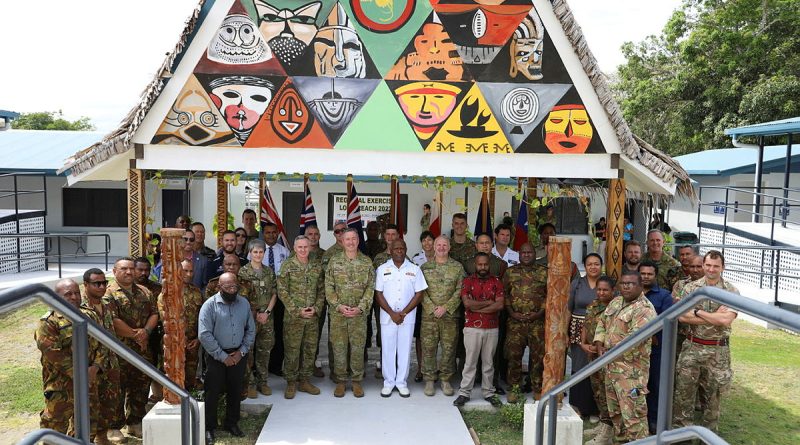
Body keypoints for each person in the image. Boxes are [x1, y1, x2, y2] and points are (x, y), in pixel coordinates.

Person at [673, 250, 738, 434]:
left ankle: (708, 437)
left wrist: (698, 312)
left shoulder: (731, 291)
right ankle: (681, 437)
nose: (711, 269)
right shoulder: (691, 289)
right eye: (708, 265)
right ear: (703, 266)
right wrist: (715, 316)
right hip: (692, 347)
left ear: (723, 268)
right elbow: (683, 317)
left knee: (712, 402)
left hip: (718, 352)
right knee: (683, 398)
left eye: (716, 266)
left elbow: (726, 321)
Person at [36, 279, 105, 440]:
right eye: (68, 294)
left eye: (77, 293)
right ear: (57, 297)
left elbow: (102, 342)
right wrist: (82, 375)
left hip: (89, 381)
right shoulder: (48, 322)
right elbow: (54, 354)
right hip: (62, 386)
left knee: (88, 426)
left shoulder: (90, 314)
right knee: (55, 429)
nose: (74, 297)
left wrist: (95, 366)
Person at [593, 271, 656, 443]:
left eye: (631, 284)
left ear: (640, 286)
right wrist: (599, 344)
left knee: (634, 419)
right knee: (617, 417)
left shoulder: (645, 310)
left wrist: (608, 348)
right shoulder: (616, 301)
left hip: (631, 375)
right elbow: (602, 323)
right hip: (611, 371)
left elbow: (633, 340)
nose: (626, 286)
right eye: (623, 283)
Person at [198, 272, 256, 445]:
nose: (232, 290)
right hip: (217, 356)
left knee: (235, 390)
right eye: (228, 287)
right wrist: (223, 356)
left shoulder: (244, 303)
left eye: (234, 286)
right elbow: (204, 334)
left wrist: (241, 352)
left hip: (238, 356)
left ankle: (231, 423)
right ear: (219, 287)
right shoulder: (209, 306)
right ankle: (209, 427)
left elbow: (251, 330)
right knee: (212, 392)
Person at [105, 257, 158, 438]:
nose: (128, 272)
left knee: (141, 386)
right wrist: (136, 335)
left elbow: (154, 314)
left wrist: (146, 331)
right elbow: (113, 320)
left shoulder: (144, 291)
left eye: (131, 269)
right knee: (117, 388)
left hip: (142, 349)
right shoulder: (108, 293)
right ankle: (114, 427)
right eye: (123, 269)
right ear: (114, 271)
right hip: (119, 350)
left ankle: (135, 422)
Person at [325, 228, 375, 397]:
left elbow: (370, 288)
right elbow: (328, 286)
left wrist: (361, 307)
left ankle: (356, 381)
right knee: (339, 348)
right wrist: (338, 306)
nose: (351, 242)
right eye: (348, 239)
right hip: (339, 315)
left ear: (358, 241)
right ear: (343, 241)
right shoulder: (334, 261)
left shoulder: (367, 262)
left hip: (358, 315)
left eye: (354, 239)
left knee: (357, 349)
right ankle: (340, 381)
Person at [375, 239, 428, 397]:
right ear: (390, 250)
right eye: (396, 248)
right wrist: (392, 313)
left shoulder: (415, 269)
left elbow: (419, 294)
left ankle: (402, 382)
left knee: (405, 350)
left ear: (406, 249)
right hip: (388, 317)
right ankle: (389, 382)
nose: (399, 251)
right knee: (388, 349)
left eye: (402, 248)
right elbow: (378, 293)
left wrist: (403, 313)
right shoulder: (382, 269)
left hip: (407, 317)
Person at [453, 253, 505, 408]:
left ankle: (488, 392)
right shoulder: (467, 281)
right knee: (470, 362)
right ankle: (464, 393)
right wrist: (489, 302)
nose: (483, 267)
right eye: (480, 264)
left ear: (489, 264)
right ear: (475, 265)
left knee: (489, 362)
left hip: (491, 328)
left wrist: (480, 306)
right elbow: (467, 304)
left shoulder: (497, 281)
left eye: (485, 264)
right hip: (472, 328)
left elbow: (500, 305)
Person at [278, 235, 325, 399]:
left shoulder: (316, 266)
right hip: (294, 318)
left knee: (309, 349)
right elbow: (282, 290)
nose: (303, 250)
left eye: (306, 247)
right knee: (292, 350)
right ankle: (291, 382)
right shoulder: (288, 266)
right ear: (294, 248)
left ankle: (304, 380)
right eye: (300, 247)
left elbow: (321, 290)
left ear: (310, 247)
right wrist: (296, 310)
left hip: (312, 317)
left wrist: (317, 308)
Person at [82, 269, 125, 444]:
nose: (101, 287)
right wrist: (96, 364)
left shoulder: (106, 304)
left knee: (109, 403)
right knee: (90, 406)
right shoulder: (80, 308)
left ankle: (102, 437)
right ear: (86, 285)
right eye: (96, 283)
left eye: (104, 283)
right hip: (91, 366)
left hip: (110, 363)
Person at [420, 235, 463, 397]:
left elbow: (460, 290)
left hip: (449, 317)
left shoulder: (457, 267)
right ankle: (430, 379)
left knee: (449, 349)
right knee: (429, 348)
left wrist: (446, 307)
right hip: (429, 317)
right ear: (434, 246)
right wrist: (432, 308)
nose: (441, 248)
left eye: (445, 245)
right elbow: (421, 291)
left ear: (449, 247)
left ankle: (445, 379)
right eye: (439, 245)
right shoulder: (425, 267)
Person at [503, 243, 547, 402]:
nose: (527, 255)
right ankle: (514, 388)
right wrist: (512, 312)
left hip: (537, 322)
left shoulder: (543, 273)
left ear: (535, 254)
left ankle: (537, 388)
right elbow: (505, 295)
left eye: (529, 252)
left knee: (537, 357)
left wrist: (539, 313)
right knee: (514, 356)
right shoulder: (510, 272)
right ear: (519, 255)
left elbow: (548, 296)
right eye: (524, 252)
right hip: (515, 322)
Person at [238, 239, 278, 397]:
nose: (258, 254)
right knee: (248, 351)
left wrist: (267, 312)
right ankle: (250, 383)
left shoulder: (269, 272)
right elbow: (241, 298)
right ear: (250, 253)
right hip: (250, 318)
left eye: (261, 252)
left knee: (265, 350)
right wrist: (255, 314)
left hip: (267, 317)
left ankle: (263, 382)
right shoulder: (243, 272)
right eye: (255, 252)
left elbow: (274, 293)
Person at [157, 259, 203, 392]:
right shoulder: (167, 293)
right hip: (174, 344)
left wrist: (198, 339)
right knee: (172, 380)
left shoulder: (197, 292)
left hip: (192, 345)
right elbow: (165, 320)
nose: (188, 274)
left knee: (189, 379)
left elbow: (202, 318)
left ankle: (189, 408)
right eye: (185, 271)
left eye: (191, 271)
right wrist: (180, 339)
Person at [638, 261, 673, 433]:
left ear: (655, 275)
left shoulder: (665, 296)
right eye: (642, 273)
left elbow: (668, 320)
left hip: (656, 350)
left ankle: (653, 420)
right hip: (634, 351)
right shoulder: (630, 294)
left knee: (654, 385)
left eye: (649, 274)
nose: (645, 277)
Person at [567, 253, 602, 418]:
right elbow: (568, 309)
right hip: (577, 327)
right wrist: (565, 332)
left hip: (599, 330)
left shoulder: (605, 284)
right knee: (579, 365)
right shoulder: (576, 283)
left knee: (597, 366)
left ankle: (595, 409)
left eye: (596, 264)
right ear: (585, 266)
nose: (593, 267)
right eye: (590, 264)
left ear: (601, 266)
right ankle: (578, 407)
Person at [582, 276, 616, 445]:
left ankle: (608, 432)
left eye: (605, 290)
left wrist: (601, 347)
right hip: (592, 355)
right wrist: (583, 343)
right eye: (599, 289)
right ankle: (603, 424)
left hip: (607, 357)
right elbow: (586, 325)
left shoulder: (616, 308)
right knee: (598, 392)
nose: (601, 292)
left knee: (607, 393)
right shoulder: (593, 305)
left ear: (612, 291)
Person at [133, 257, 164, 404]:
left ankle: (158, 395)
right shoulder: (126, 289)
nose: (144, 273)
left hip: (155, 334)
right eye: (140, 269)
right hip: (133, 336)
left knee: (157, 365)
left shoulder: (157, 288)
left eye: (147, 270)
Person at [262, 222, 291, 377]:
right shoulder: (256, 250)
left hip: (280, 298)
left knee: (279, 332)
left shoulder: (285, 252)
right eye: (268, 232)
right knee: (262, 332)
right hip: (262, 298)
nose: (271, 235)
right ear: (263, 234)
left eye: (274, 232)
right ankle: (260, 366)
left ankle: (276, 365)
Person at [411, 230, 435, 382]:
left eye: (429, 240)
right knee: (420, 337)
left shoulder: (441, 257)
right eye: (424, 240)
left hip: (437, 302)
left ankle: (433, 367)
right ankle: (420, 368)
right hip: (420, 303)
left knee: (435, 337)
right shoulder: (416, 259)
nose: (427, 243)